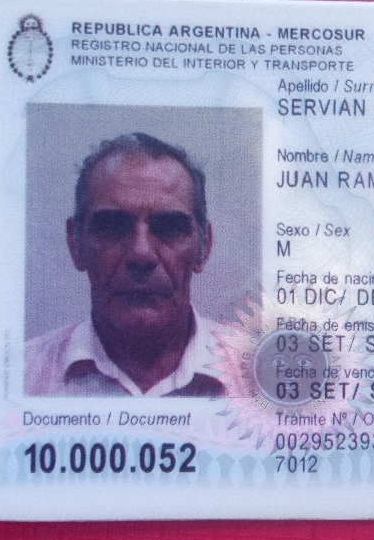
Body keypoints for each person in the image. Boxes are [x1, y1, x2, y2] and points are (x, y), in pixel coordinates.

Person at [25, 133, 228, 396]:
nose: (141, 254)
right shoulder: (19, 376)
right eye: (113, 227)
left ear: (204, 247)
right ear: (75, 243)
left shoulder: (260, 377)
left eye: (169, 228)